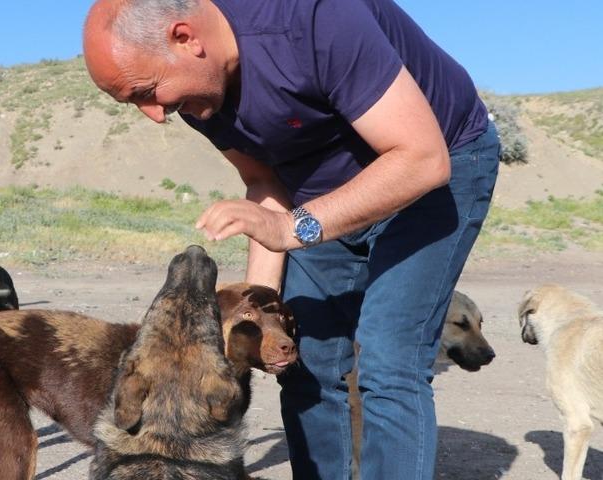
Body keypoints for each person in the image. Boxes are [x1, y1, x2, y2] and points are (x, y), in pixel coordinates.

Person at [82, 1, 500, 479]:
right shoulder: (200, 95)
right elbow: (264, 185)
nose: (154, 115)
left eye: (147, 92)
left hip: (436, 163)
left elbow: (422, 160)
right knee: (308, 362)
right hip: (320, 184)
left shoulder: (315, 19)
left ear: (185, 38)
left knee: (388, 360)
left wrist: (291, 230)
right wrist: (256, 312)